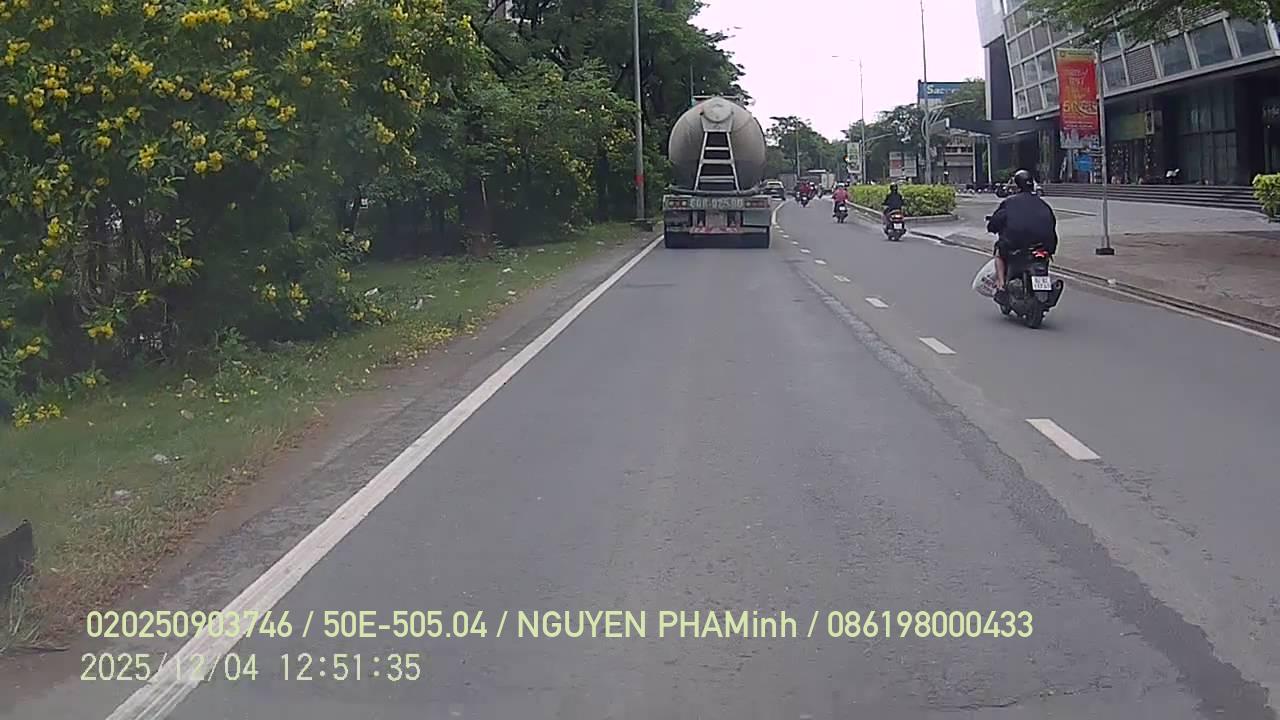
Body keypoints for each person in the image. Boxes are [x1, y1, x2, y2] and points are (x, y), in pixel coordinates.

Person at [986, 169, 1058, 299]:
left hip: (1016, 246)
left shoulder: (1009, 203)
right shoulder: (1043, 204)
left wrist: (992, 226)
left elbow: (995, 223)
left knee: (998, 254)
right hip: (1044, 247)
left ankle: (1001, 285)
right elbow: (1052, 223)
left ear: (1017, 185)